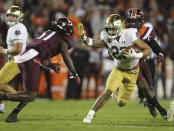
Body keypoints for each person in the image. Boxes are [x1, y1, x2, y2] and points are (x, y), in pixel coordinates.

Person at [0, 17, 80, 122]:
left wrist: (51, 65)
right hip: (31, 58)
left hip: (26, 55)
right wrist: (75, 73)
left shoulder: (49, 33)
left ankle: (13, 114)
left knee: (30, 92)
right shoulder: (63, 39)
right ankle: (2, 97)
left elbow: (41, 56)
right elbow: (66, 57)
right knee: (31, 95)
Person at [77, 14, 152, 123]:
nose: (110, 32)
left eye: (113, 29)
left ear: (120, 28)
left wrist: (136, 55)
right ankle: (90, 115)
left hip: (132, 71)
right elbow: (94, 43)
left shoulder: (130, 34)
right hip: (118, 69)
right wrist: (83, 37)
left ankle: (115, 95)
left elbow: (148, 49)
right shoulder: (106, 37)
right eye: (109, 29)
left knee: (122, 102)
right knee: (107, 91)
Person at [125, 8, 167, 118]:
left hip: (143, 61)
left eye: (135, 21)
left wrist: (159, 53)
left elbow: (152, 42)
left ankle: (151, 104)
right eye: (131, 21)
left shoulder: (145, 30)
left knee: (150, 87)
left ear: (140, 21)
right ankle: (161, 109)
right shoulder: (122, 32)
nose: (132, 24)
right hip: (131, 63)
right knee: (143, 86)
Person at [0, 5, 28, 113]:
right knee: (1, 82)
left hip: (17, 60)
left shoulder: (17, 28)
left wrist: (3, 51)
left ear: (19, 17)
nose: (11, 18)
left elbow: (18, 49)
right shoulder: (14, 28)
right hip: (15, 60)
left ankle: (21, 99)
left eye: (14, 16)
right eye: (9, 15)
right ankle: (1, 107)